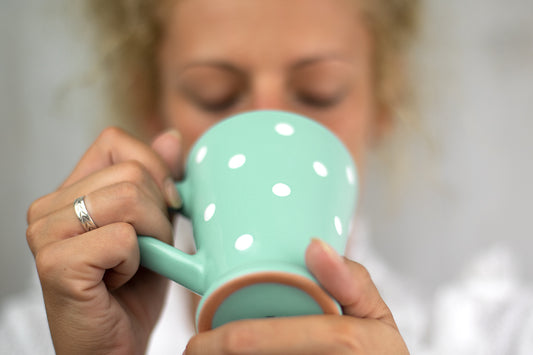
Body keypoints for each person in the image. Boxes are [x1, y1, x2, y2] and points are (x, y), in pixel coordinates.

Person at [5, 0, 530, 354]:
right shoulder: (38, 338)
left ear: (383, 104)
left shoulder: (495, 336)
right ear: (152, 106)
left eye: (319, 92)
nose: (269, 121)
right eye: (214, 94)